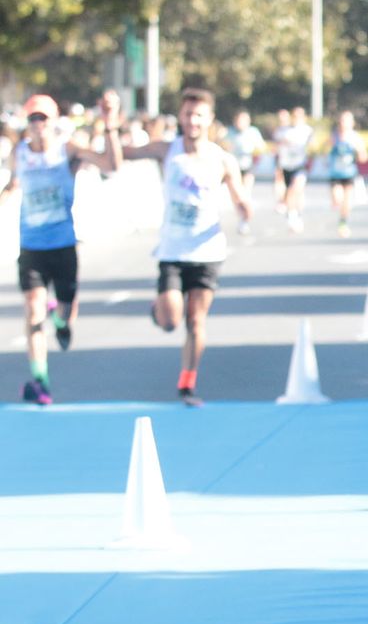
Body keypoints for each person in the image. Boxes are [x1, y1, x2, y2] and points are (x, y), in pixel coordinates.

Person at [124, 87, 251, 406]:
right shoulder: (167, 151)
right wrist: (112, 127)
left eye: (199, 115)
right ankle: (160, 311)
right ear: (180, 117)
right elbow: (125, 154)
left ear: (209, 119)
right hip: (172, 250)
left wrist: (244, 208)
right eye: (188, 114)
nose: (193, 121)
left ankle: (187, 384)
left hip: (207, 252)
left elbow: (239, 195)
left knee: (196, 321)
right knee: (171, 321)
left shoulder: (222, 159)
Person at [1, 92, 123, 405]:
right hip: (31, 247)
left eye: (43, 118)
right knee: (33, 310)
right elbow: (13, 184)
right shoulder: (19, 153)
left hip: (63, 245)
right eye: (33, 118)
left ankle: (60, 320)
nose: (38, 124)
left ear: (54, 121)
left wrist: (110, 125)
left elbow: (111, 164)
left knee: (66, 311)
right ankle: (40, 381)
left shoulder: (67, 150)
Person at [324, 110, 368, 237]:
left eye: (347, 121)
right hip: (335, 173)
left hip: (349, 173)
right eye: (342, 120)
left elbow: (364, 157)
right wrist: (326, 157)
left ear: (352, 123)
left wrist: (359, 152)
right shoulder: (334, 136)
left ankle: (343, 222)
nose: (343, 123)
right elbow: (325, 148)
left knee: (347, 201)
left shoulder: (355, 138)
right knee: (337, 198)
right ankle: (338, 209)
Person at [274, 106, 313, 232]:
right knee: (294, 193)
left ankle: (294, 215)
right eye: (295, 116)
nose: (297, 119)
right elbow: (276, 146)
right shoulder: (283, 130)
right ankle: (293, 213)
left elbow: (313, 145)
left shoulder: (307, 131)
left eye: (300, 116)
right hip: (286, 165)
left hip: (300, 165)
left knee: (295, 188)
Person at [225, 110, 264, 233]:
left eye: (243, 120)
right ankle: (241, 216)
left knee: (246, 193)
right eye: (238, 120)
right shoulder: (230, 132)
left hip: (248, 166)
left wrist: (256, 156)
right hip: (234, 168)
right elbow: (224, 147)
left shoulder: (253, 132)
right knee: (237, 195)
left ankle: (245, 219)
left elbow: (260, 148)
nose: (240, 123)